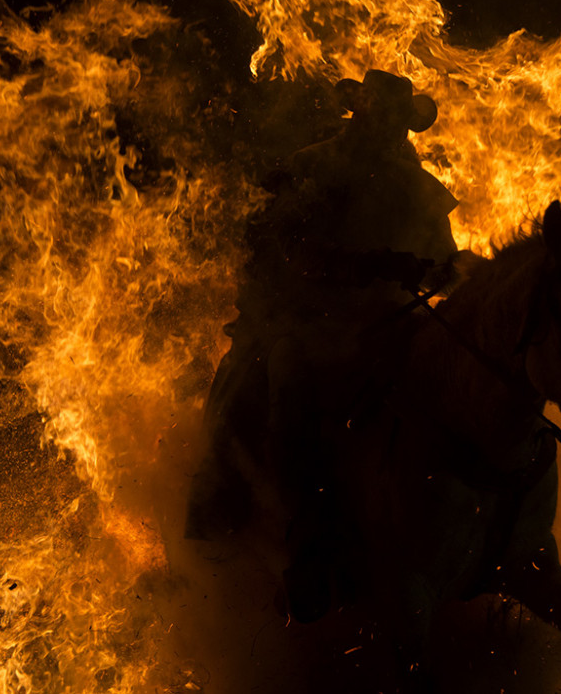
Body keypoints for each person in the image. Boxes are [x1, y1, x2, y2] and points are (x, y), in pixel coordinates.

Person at [185, 70, 464, 556]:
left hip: (390, 324)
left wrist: (450, 273)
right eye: (384, 117)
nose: (391, 130)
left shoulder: (419, 189)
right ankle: (278, 523)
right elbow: (292, 250)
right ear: (361, 114)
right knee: (277, 382)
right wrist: (375, 264)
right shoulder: (311, 170)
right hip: (307, 320)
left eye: (399, 121)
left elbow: (442, 257)